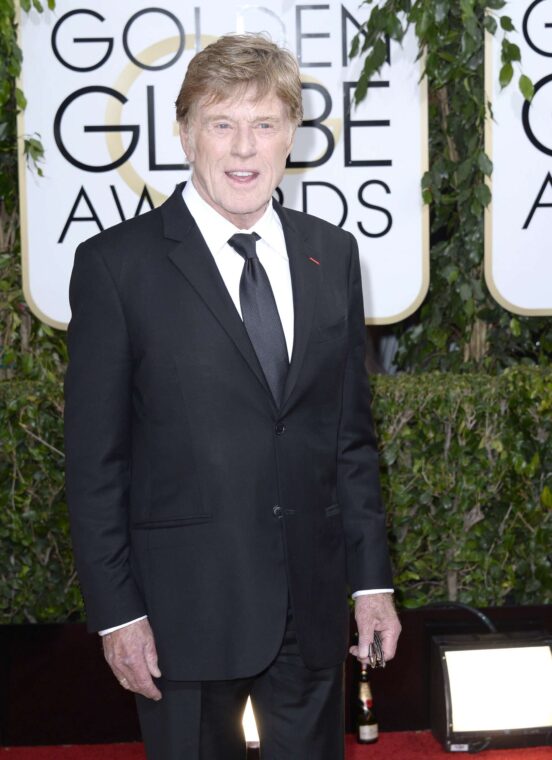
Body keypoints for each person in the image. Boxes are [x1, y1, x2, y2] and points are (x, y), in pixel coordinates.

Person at [64, 33, 401, 760]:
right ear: (186, 134)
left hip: (309, 610)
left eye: (265, 123)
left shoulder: (331, 254)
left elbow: (348, 437)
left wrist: (370, 582)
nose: (244, 148)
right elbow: (96, 466)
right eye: (223, 124)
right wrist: (118, 616)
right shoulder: (117, 268)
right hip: (182, 617)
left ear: (292, 137)